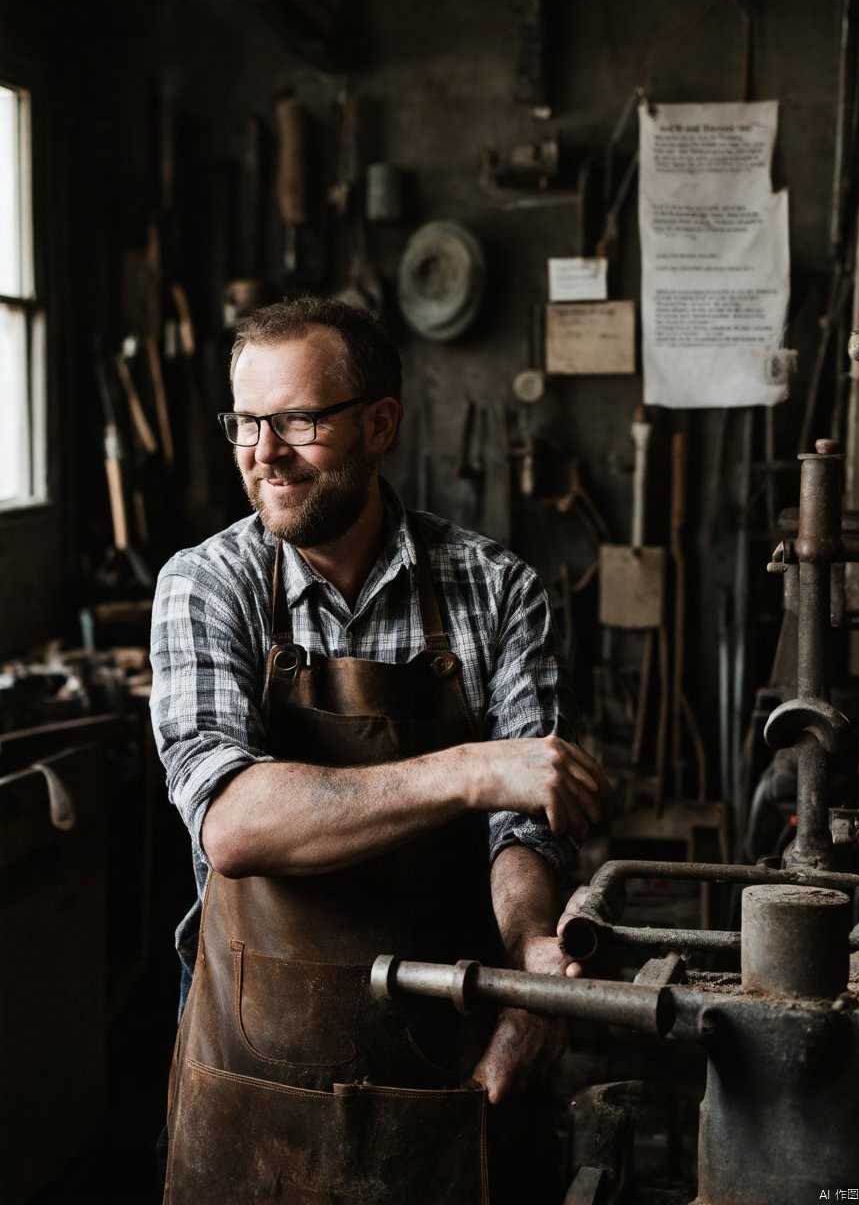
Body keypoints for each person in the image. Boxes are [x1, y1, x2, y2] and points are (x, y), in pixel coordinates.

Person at [149, 296, 610, 1205]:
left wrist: (530, 965)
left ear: (380, 423)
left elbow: (521, 828)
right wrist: (473, 766)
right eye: (246, 422)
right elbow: (234, 823)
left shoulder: (495, 587)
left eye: (298, 421)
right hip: (251, 1072)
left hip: (447, 1042)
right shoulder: (206, 585)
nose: (264, 452)